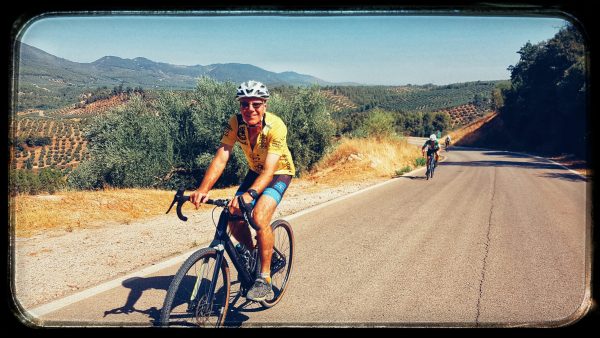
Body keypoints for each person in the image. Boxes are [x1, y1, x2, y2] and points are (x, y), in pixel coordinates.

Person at [189, 80, 295, 302]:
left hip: (278, 173)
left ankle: (264, 278)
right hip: (255, 172)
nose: (250, 109)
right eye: (244, 104)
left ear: (264, 105)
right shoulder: (236, 123)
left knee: (258, 217)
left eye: (255, 104)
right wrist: (203, 189)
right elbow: (222, 155)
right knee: (233, 213)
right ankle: (254, 250)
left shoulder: (276, 126)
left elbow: (269, 170)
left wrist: (252, 194)